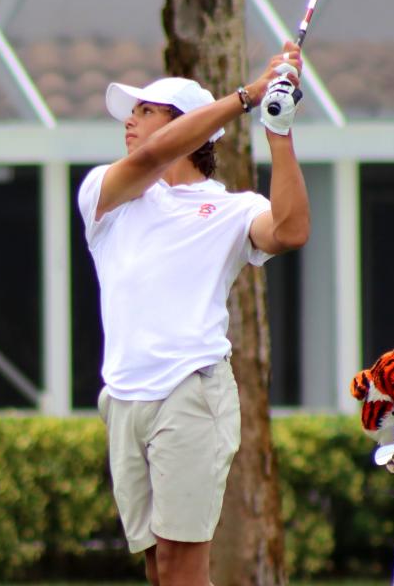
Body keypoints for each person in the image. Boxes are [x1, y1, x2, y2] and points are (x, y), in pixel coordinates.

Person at [77, 40, 309, 586]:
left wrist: (278, 131)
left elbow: (290, 231)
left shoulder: (234, 209)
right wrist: (247, 95)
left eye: (145, 111)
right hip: (124, 398)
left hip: (191, 389)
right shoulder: (106, 194)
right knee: (159, 570)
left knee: (183, 569)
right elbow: (149, 160)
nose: (129, 122)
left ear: (189, 125)